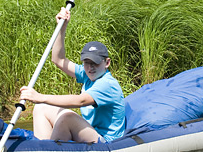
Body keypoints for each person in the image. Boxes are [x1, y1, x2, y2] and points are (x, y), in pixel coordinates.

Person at [19, 8, 125, 143]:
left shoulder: (107, 84)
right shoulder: (87, 73)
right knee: (41, 108)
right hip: (89, 132)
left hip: (106, 141)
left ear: (107, 63)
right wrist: (61, 28)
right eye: (87, 63)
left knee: (66, 117)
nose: (91, 67)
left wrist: (40, 97)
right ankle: (42, 149)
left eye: (96, 63)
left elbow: (80, 101)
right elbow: (59, 60)